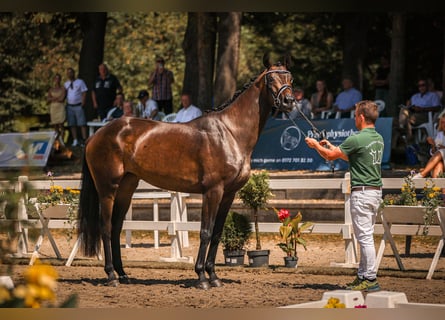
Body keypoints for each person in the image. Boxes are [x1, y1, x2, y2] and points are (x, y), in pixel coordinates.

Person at [305, 100, 383, 292]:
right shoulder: (378, 138)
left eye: (356, 115)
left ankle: (370, 278)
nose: (355, 118)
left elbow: (330, 157)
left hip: (362, 193)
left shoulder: (357, 138)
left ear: (362, 117)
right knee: (365, 235)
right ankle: (363, 275)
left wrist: (316, 145)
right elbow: (351, 156)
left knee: (364, 238)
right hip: (374, 192)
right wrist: (332, 146)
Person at [413, 112, 445, 178]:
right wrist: (433, 145)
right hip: (441, 161)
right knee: (438, 165)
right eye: (442, 122)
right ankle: (437, 188)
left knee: (442, 151)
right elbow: (434, 153)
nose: (444, 124)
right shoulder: (440, 135)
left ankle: (423, 173)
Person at [64, 67, 88, 147]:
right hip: (70, 106)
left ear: (74, 73)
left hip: (78, 105)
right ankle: (75, 140)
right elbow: (65, 94)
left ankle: (84, 140)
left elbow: (84, 92)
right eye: (68, 73)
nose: (69, 74)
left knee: (82, 123)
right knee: (72, 124)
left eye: (71, 72)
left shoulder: (80, 82)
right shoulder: (66, 84)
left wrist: (83, 102)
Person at [47, 73, 66, 140]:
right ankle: (56, 140)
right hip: (53, 108)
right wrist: (54, 98)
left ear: (60, 79)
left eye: (58, 78)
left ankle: (62, 140)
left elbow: (62, 99)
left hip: (60, 108)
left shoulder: (63, 88)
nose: (57, 80)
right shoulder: (51, 89)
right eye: (56, 78)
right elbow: (48, 99)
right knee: (55, 125)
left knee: (61, 124)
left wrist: (53, 98)